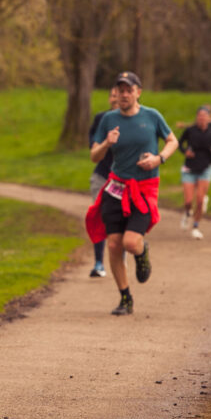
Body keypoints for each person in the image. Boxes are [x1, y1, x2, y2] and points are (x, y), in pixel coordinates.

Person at [86, 71, 178, 316]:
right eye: (120, 90)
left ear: (138, 92)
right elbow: (94, 155)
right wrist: (106, 143)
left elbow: (172, 141)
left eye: (129, 90)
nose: (124, 94)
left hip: (144, 189)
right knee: (114, 244)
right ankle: (125, 298)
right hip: (115, 188)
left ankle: (141, 251)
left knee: (130, 242)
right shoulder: (108, 119)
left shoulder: (152, 116)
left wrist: (159, 158)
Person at [178, 106, 211, 239]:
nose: (202, 118)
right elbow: (179, 144)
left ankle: (196, 226)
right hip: (189, 167)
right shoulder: (190, 131)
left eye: (205, 116)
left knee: (199, 200)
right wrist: (185, 151)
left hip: (205, 168)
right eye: (199, 116)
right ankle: (187, 213)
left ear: (210, 118)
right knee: (188, 201)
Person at [88, 87, 119, 277]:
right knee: (99, 218)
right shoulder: (101, 120)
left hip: (123, 180)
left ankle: (119, 257)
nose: (117, 98)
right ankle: (99, 262)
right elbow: (93, 150)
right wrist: (107, 143)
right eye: (113, 95)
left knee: (119, 221)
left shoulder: (133, 121)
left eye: (121, 94)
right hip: (101, 176)